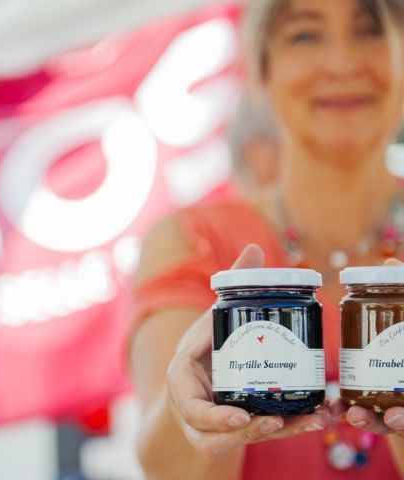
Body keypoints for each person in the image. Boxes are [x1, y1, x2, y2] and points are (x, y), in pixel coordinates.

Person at [129, 0, 404, 479]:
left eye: (370, 30)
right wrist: (194, 407)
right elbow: (167, 469)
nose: (342, 63)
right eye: (304, 35)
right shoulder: (191, 239)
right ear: (259, 68)